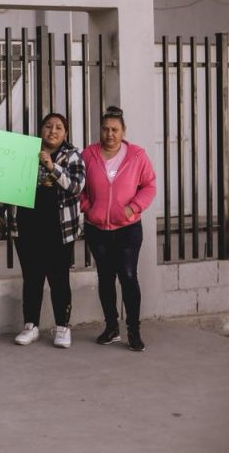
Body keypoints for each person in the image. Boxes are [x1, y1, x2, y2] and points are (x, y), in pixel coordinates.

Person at [80, 106, 156, 351]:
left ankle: (133, 331)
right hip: (97, 228)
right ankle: (111, 327)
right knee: (105, 278)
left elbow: (149, 186)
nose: (109, 134)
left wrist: (133, 207)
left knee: (128, 276)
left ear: (123, 131)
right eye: (105, 129)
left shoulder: (136, 155)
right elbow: (79, 188)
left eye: (114, 130)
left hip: (128, 229)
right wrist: (88, 208)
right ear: (100, 131)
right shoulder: (88, 155)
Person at [10, 112, 85, 349]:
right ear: (41, 129)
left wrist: (53, 167)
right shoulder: (26, 151)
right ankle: (30, 325)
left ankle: (62, 327)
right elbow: (9, 183)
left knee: (59, 278)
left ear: (65, 133)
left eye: (59, 127)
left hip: (59, 228)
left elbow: (76, 187)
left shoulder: (72, 156)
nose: (53, 131)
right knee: (32, 278)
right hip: (28, 225)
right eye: (48, 126)